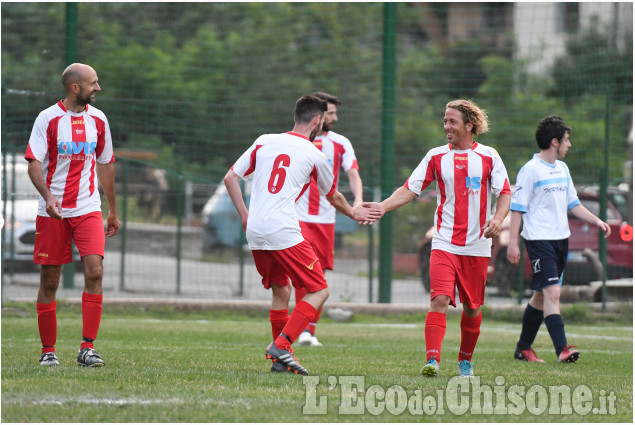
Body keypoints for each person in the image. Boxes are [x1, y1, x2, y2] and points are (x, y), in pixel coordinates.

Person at [223, 95, 381, 375]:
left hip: (256, 231)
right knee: (319, 289)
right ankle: (281, 346)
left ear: (295, 116)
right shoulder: (314, 154)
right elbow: (333, 196)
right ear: (318, 121)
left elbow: (230, 178)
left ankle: (279, 363)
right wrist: (354, 213)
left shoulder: (264, 140)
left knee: (281, 290)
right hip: (283, 229)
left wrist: (246, 216)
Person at [377, 99, 511, 378]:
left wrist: (497, 220)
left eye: (452, 122)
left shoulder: (489, 156)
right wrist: (382, 207)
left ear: (469, 126)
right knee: (439, 299)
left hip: (477, 245)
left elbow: (505, 193)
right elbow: (409, 189)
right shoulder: (436, 156)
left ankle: (465, 361)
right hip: (444, 242)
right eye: (445, 121)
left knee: (472, 308)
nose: (446, 126)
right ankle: (433, 361)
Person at [25, 63, 119, 367]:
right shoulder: (47, 119)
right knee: (50, 280)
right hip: (53, 212)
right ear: (75, 88)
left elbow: (105, 164)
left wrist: (112, 210)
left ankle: (87, 348)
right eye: (93, 83)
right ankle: (47, 351)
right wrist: (49, 197)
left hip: (88, 208)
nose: (98, 88)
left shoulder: (99, 120)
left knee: (95, 271)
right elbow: (34, 163)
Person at [507, 115, 610, 364]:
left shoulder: (562, 169)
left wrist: (596, 220)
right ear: (555, 142)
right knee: (553, 293)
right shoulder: (530, 170)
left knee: (542, 296)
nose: (569, 144)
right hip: (539, 241)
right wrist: (512, 243)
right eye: (567, 140)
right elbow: (517, 209)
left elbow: (573, 203)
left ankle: (523, 348)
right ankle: (562, 349)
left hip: (560, 241)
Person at [294, 92, 363, 347]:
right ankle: (297, 331)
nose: (335, 118)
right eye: (331, 113)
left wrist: (358, 201)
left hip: (326, 219)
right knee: (303, 275)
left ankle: (308, 332)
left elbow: (353, 175)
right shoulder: (297, 141)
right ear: (318, 116)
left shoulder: (341, 143)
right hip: (298, 217)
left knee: (318, 277)